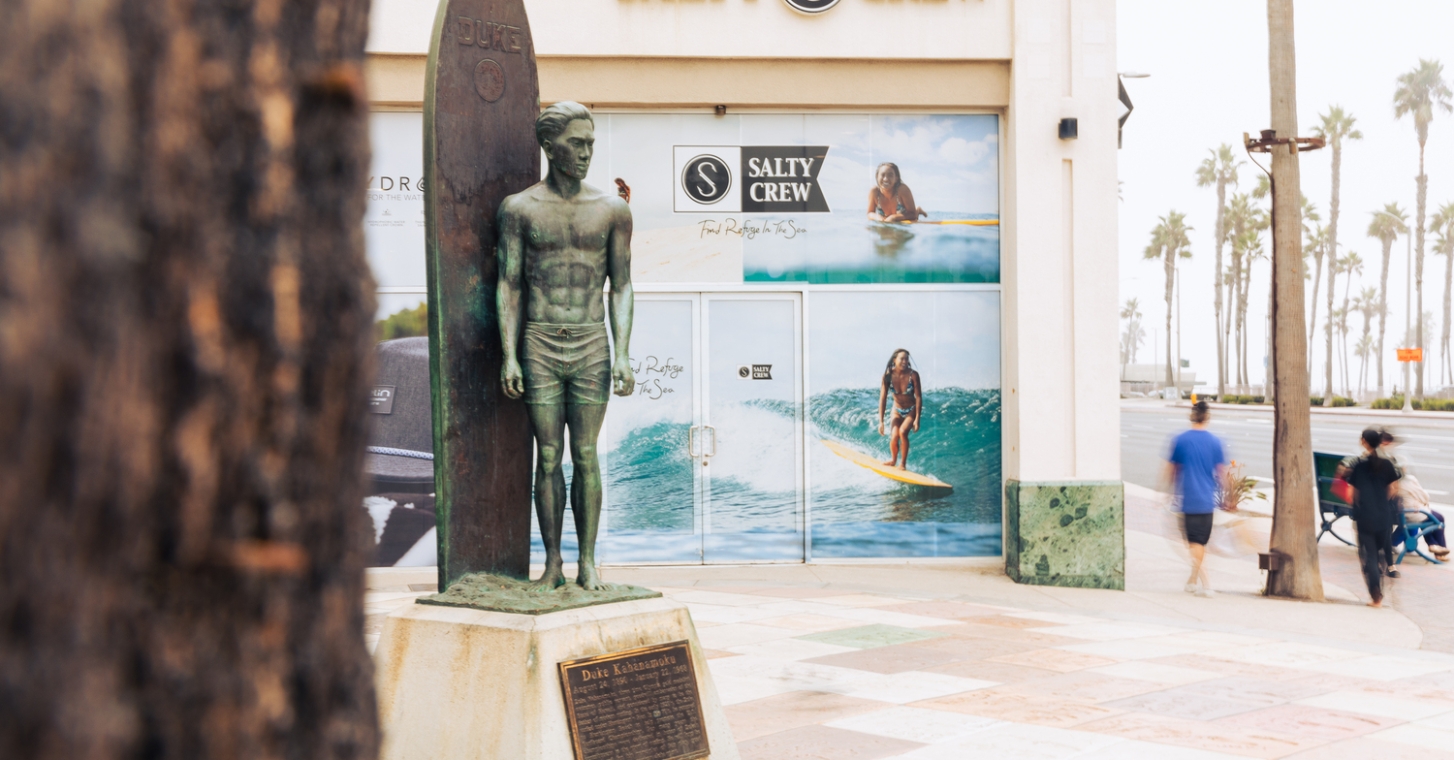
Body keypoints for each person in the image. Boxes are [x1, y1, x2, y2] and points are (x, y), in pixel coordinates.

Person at [498, 102, 636, 591]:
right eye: (577, 144)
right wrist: (510, 353)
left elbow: (620, 285)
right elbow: (510, 283)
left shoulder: (612, 210)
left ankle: (590, 562)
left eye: (590, 144)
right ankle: (553, 562)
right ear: (549, 146)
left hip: (591, 342)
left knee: (587, 454)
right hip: (539, 340)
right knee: (549, 455)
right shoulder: (519, 209)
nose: (586, 153)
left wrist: (622, 351)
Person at [1163, 400, 1226, 598]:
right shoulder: (1215, 442)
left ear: (1192, 416)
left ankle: (1206, 584)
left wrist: (1164, 492)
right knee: (1199, 543)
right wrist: (1229, 497)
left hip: (1188, 500)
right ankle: (1192, 580)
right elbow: (1222, 473)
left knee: (1194, 544)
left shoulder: (1180, 440)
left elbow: (1171, 470)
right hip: (1207, 501)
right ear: (1207, 418)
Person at [1343, 428, 1402, 607]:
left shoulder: (1359, 466)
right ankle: (1379, 590)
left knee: (1369, 556)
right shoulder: (1387, 465)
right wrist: (1382, 501)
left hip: (1365, 517)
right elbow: (1394, 489)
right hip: (1383, 516)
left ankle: (1376, 597)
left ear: (1364, 442)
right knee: (1381, 554)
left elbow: (1352, 493)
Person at [1383, 431, 1450, 560]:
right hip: (1411, 513)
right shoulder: (1408, 480)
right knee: (1438, 518)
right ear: (1403, 468)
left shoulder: (1387, 481)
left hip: (1396, 513)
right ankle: (1438, 549)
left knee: (1427, 518)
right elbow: (1425, 497)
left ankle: (1434, 546)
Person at [877, 349, 922, 470]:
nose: (905, 361)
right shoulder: (887, 376)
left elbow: (918, 397)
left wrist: (917, 419)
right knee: (894, 436)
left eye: (906, 358)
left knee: (902, 432)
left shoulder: (913, 375)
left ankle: (902, 463)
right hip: (896, 409)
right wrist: (880, 421)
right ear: (894, 360)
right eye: (902, 358)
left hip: (911, 409)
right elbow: (883, 398)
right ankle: (893, 460)